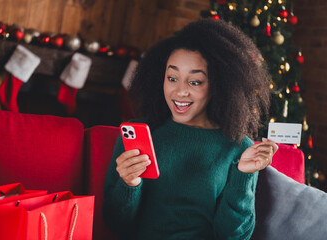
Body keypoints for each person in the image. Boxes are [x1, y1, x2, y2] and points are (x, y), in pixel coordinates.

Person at [103, 19, 278, 240]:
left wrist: (243, 176)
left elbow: (233, 236)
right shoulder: (139, 134)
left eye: (194, 82)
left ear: (220, 85)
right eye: (172, 78)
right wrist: (129, 184)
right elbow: (115, 224)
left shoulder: (239, 147)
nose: (180, 92)